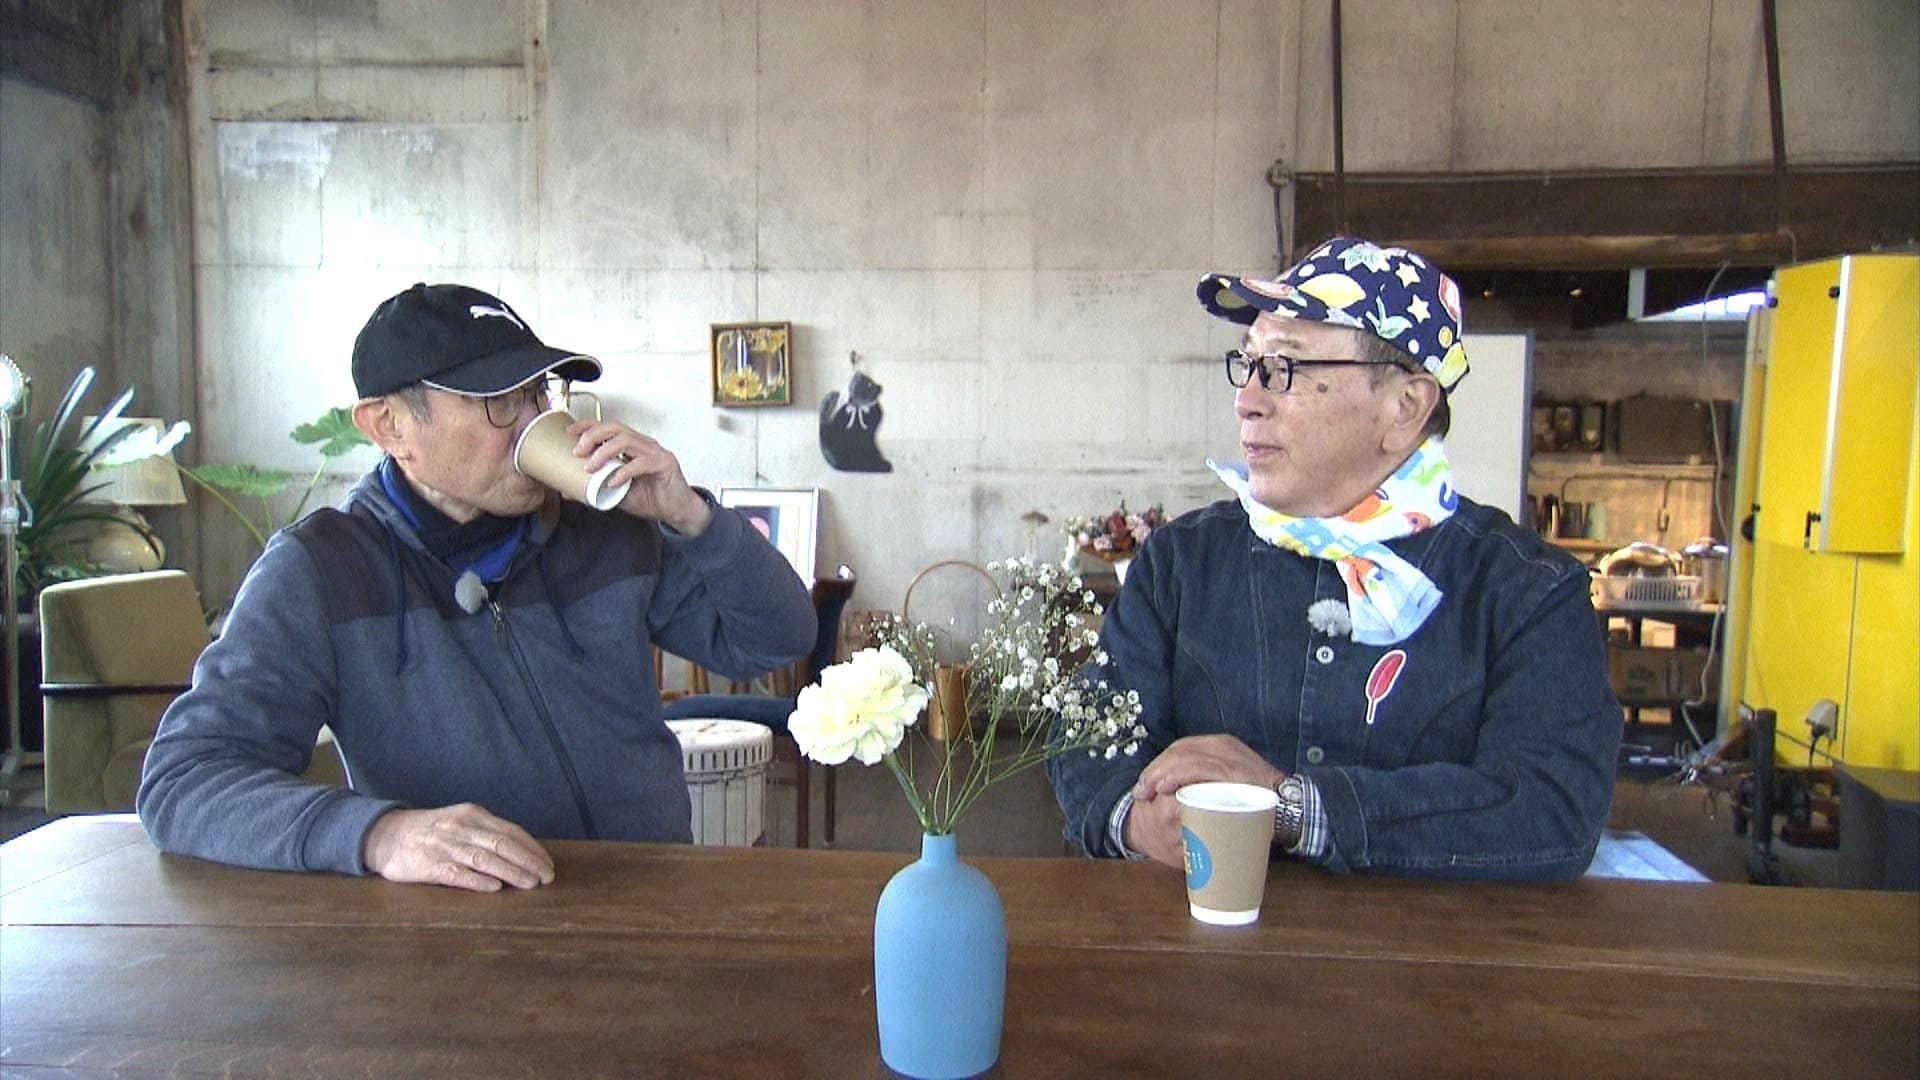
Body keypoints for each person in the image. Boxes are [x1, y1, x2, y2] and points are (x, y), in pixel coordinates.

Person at [138, 283, 816, 891]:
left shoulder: (607, 534)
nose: (534, 423)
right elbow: (184, 781)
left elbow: (778, 639)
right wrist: (378, 835)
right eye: (500, 401)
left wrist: (690, 516)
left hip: (648, 898)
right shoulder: (323, 572)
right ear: (390, 426)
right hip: (470, 930)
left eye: (539, 395)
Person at [1047, 237, 1621, 881]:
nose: (1247, 400)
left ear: (1404, 407)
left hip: (1433, 948)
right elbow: (1085, 742)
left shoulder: (1526, 590)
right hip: (1198, 940)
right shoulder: (1179, 564)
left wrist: (1291, 807)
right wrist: (1132, 818)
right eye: (1249, 364)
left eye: (1285, 368)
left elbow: (1551, 811)